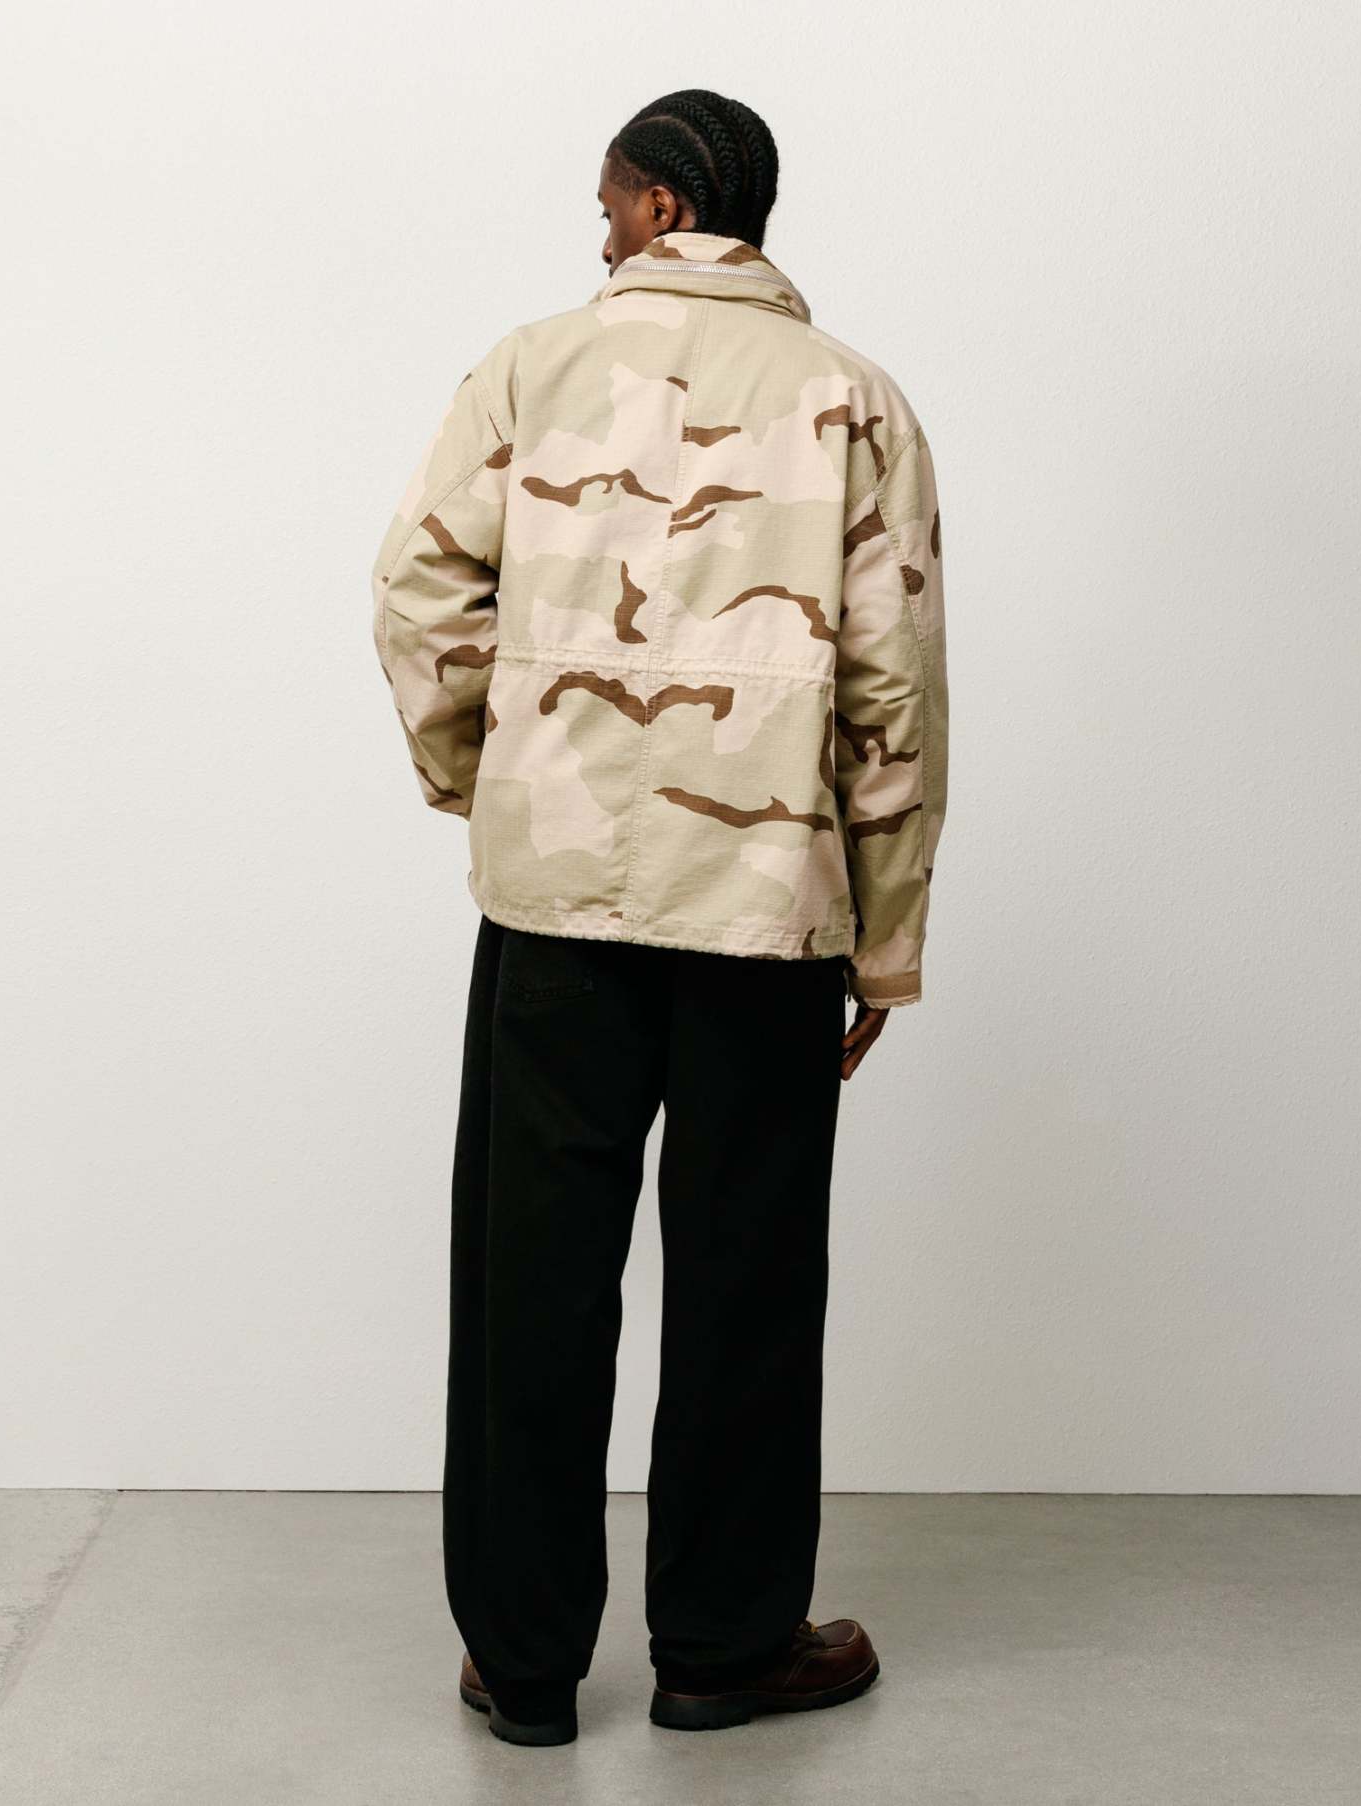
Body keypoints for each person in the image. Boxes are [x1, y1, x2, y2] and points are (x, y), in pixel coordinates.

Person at [370, 88, 948, 1748]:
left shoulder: (530, 367)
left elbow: (418, 593)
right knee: (747, 1274)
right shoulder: (853, 397)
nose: (600, 228)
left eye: (608, 202)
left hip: (555, 898)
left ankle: (525, 1660)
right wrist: (885, 936)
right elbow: (895, 689)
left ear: (659, 205)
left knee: (529, 1271)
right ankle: (721, 1643)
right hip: (767, 908)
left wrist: (491, 780)